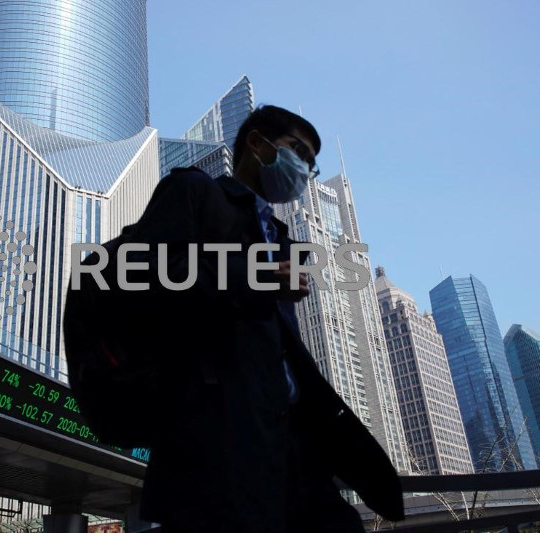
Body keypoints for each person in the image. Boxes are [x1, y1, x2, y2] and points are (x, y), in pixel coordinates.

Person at [113, 105, 405, 531]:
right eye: (296, 151)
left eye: (311, 162)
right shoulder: (194, 191)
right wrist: (257, 276)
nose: (304, 169)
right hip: (219, 443)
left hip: (291, 439)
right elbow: (142, 273)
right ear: (257, 143)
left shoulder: (280, 236)